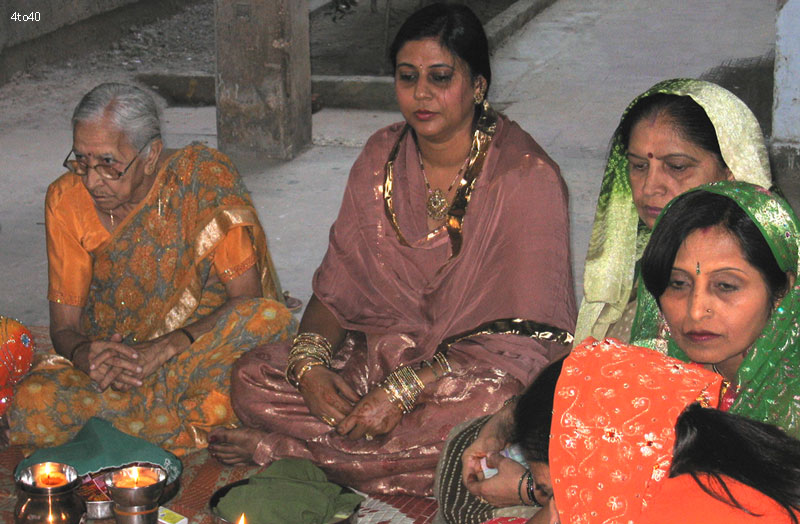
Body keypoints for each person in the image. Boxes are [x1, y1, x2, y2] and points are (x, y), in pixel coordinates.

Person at [208, 3, 576, 496]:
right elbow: (336, 290)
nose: (422, 93)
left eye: (440, 77)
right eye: (408, 77)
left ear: (478, 85)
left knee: (488, 408)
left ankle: (284, 450)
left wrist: (405, 390)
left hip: (467, 377)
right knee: (254, 376)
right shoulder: (379, 159)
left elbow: (530, 338)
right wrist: (311, 368)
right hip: (379, 352)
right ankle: (379, 459)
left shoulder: (526, 177)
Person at [436, 78, 774, 524]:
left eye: (676, 166)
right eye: (637, 166)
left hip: (716, 485)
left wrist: (540, 491)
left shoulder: (763, 271)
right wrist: (508, 423)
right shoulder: (648, 270)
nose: (651, 187)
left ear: (730, 172)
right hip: (621, 466)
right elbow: (593, 390)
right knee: (467, 444)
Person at [455, 181, 800, 521]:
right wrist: (503, 426)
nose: (695, 311)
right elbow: (578, 402)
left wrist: (536, 489)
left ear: (782, 289)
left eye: (725, 286)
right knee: (461, 450)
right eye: (678, 284)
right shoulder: (663, 353)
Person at [5, 83, 294, 455]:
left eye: (108, 164)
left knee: (270, 319)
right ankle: (173, 424)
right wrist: (85, 355)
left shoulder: (203, 179)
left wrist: (166, 347)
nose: (92, 180)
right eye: (81, 161)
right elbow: (64, 327)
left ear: (151, 154)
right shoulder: (66, 199)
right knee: (34, 399)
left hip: (196, 349)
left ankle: (127, 427)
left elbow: (247, 301)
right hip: (116, 370)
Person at [488, 338, 800, 524]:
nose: (556, 516)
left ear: (603, 460)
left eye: (560, 494)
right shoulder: (716, 448)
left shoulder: (677, 511)